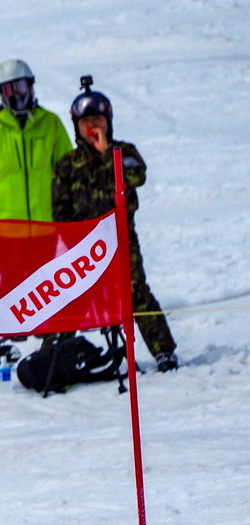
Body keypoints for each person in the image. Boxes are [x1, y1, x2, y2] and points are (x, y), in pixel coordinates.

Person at [51, 79, 178, 372]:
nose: (92, 125)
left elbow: (135, 178)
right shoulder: (67, 164)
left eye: (98, 119)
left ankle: (163, 351)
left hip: (121, 239)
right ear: (76, 125)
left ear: (108, 121)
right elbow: (60, 208)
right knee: (71, 299)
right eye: (86, 121)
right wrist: (74, 239)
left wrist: (107, 151)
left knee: (136, 293)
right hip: (84, 246)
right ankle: (54, 358)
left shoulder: (124, 152)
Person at [0, 59, 72, 222]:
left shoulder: (51, 123)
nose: (16, 94)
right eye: (9, 89)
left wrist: (67, 210)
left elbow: (67, 169)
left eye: (20, 87)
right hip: (6, 230)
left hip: (47, 226)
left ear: (31, 86)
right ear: (1, 93)